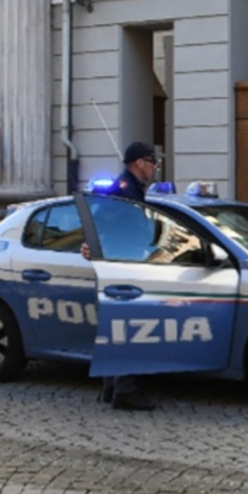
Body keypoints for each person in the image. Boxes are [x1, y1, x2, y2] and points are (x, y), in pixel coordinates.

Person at [94, 141, 160, 411]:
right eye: (152, 162)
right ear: (139, 163)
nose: (154, 167)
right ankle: (125, 390)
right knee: (127, 328)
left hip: (116, 265)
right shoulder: (127, 191)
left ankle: (110, 387)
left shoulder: (128, 188)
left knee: (114, 328)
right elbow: (119, 227)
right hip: (123, 266)